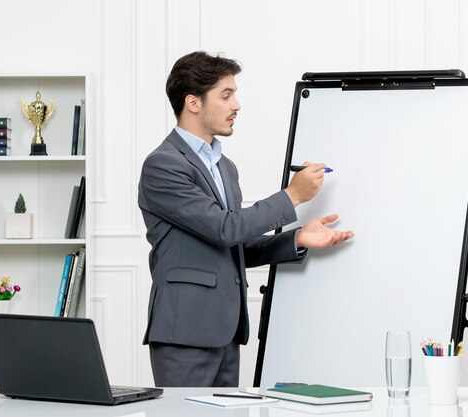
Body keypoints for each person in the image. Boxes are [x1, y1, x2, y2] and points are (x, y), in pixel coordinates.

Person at [138, 51, 353, 387]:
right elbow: (224, 228)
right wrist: (293, 195)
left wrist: (296, 239)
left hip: (227, 331)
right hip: (185, 334)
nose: (236, 105)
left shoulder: (225, 167)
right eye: (226, 95)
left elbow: (235, 246)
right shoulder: (163, 165)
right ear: (193, 102)